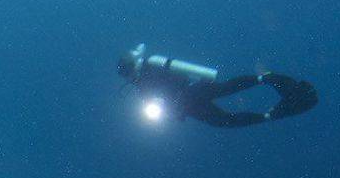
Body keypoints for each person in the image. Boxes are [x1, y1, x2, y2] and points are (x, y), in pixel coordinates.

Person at [118, 44, 318, 127]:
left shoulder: (152, 66)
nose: (129, 77)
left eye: (127, 72)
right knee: (224, 120)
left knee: (227, 91)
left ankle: (265, 80)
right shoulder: (141, 88)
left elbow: (174, 80)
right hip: (188, 106)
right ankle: (269, 112)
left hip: (191, 91)